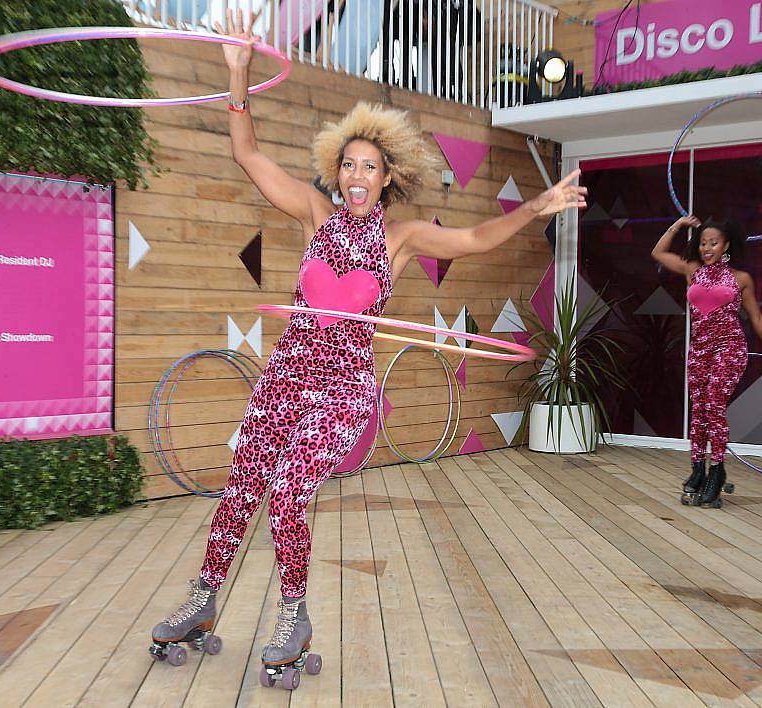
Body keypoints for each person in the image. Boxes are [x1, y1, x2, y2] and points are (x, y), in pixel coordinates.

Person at [150, 8, 586, 673]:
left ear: (387, 178)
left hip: (342, 391)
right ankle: (203, 598)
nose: (357, 174)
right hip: (283, 379)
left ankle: (292, 615)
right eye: (348, 163)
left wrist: (535, 207)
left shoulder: (399, 238)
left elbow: (471, 240)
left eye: (370, 166)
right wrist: (236, 77)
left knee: (291, 489)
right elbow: (247, 154)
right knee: (241, 484)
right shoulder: (313, 212)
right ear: (338, 169)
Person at [651, 216, 762, 507]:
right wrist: (678, 225)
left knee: (714, 406)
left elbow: (756, 317)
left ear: (726, 244)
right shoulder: (692, 271)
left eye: (713, 242)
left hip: (729, 348)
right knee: (699, 411)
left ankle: (716, 471)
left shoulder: (741, 279)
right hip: (699, 350)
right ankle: (697, 471)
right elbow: (658, 253)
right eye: (703, 243)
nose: (707, 248)